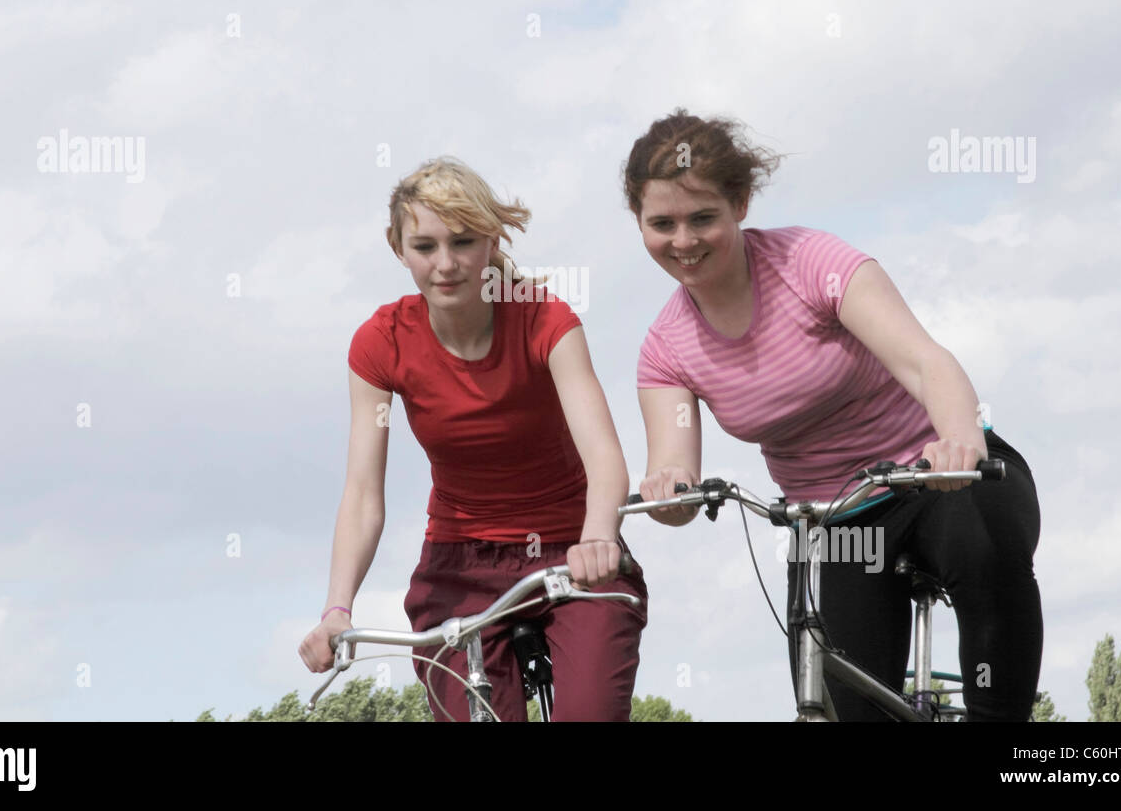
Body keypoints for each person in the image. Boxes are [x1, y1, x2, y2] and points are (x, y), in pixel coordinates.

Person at [627, 109, 1042, 721]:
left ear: (740, 203)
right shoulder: (665, 349)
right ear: (639, 221)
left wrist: (957, 442)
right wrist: (667, 493)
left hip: (936, 474)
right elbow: (675, 477)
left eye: (702, 218)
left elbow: (926, 362)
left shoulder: (809, 264)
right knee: (845, 699)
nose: (683, 241)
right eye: (662, 224)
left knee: (984, 552)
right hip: (840, 519)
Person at [298, 157, 647, 721]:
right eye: (425, 246)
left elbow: (604, 454)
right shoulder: (380, 343)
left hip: (573, 554)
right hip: (458, 565)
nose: (446, 264)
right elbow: (364, 492)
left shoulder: (544, 320)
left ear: (491, 241)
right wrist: (338, 607)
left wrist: (599, 538)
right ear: (398, 247)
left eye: (463, 241)